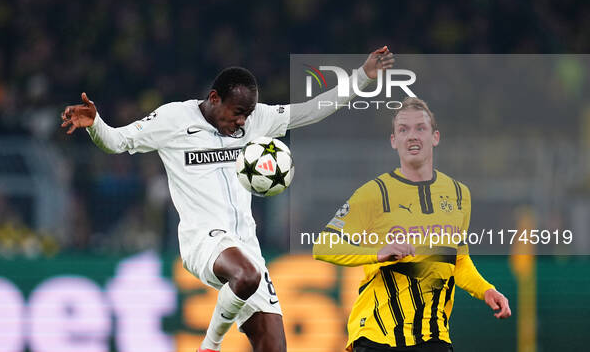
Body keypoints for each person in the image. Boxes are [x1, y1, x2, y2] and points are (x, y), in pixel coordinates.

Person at [60, 47, 395, 352]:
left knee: (273, 345)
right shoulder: (173, 120)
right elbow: (118, 142)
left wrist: (362, 76)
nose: (242, 122)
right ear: (214, 98)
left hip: (246, 244)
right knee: (246, 276)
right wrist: (95, 124)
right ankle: (209, 347)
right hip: (202, 241)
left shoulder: (255, 120)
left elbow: (312, 111)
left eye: (247, 114)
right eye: (237, 112)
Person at [313, 97, 511, 352]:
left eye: (420, 128)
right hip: (378, 336)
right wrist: (376, 253)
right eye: (403, 130)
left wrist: (486, 290)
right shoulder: (374, 193)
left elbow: (458, 260)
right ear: (394, 141)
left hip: (434, 336)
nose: (412, 136)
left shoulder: (459, 194)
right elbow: (323, 245)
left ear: (435, 137)